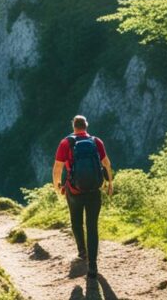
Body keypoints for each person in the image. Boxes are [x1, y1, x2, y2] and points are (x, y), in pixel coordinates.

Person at [52, 115, 113, 278]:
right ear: (86, 126)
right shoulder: (96, 141)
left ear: (74, 126)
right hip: (94, 190)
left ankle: (82, 252)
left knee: (76, 222)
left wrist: (57, 186)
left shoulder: (66, 143)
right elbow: (106, 164)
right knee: (92, 227)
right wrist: (110, 184)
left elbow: (58, 168)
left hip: (74, 190)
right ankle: (93, 266)